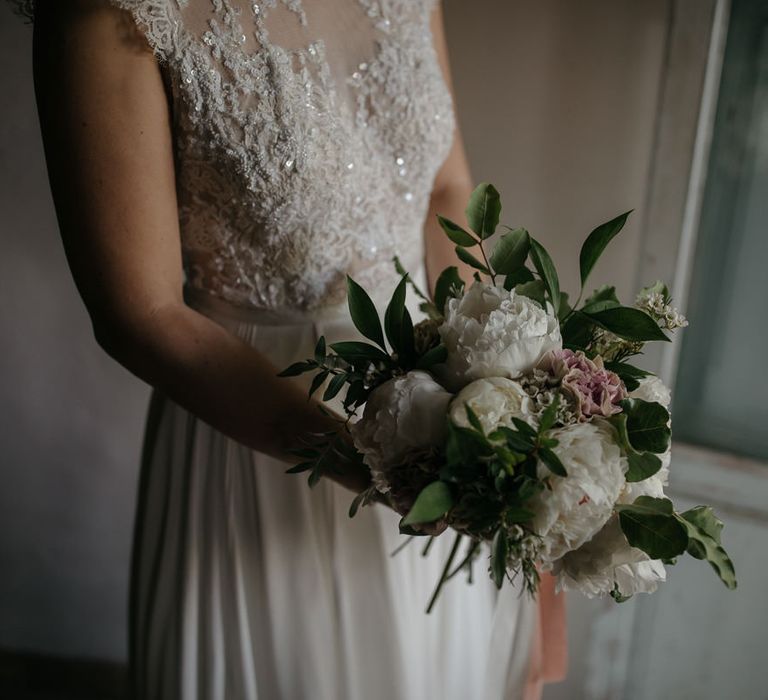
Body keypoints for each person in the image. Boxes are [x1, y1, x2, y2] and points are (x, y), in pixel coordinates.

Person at [25, 1, 566, 697]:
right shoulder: (111, 12)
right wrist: (376, 464)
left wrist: (494, 372)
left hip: (438, 412)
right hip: (255, 434)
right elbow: (138, 312)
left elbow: (444, 187)